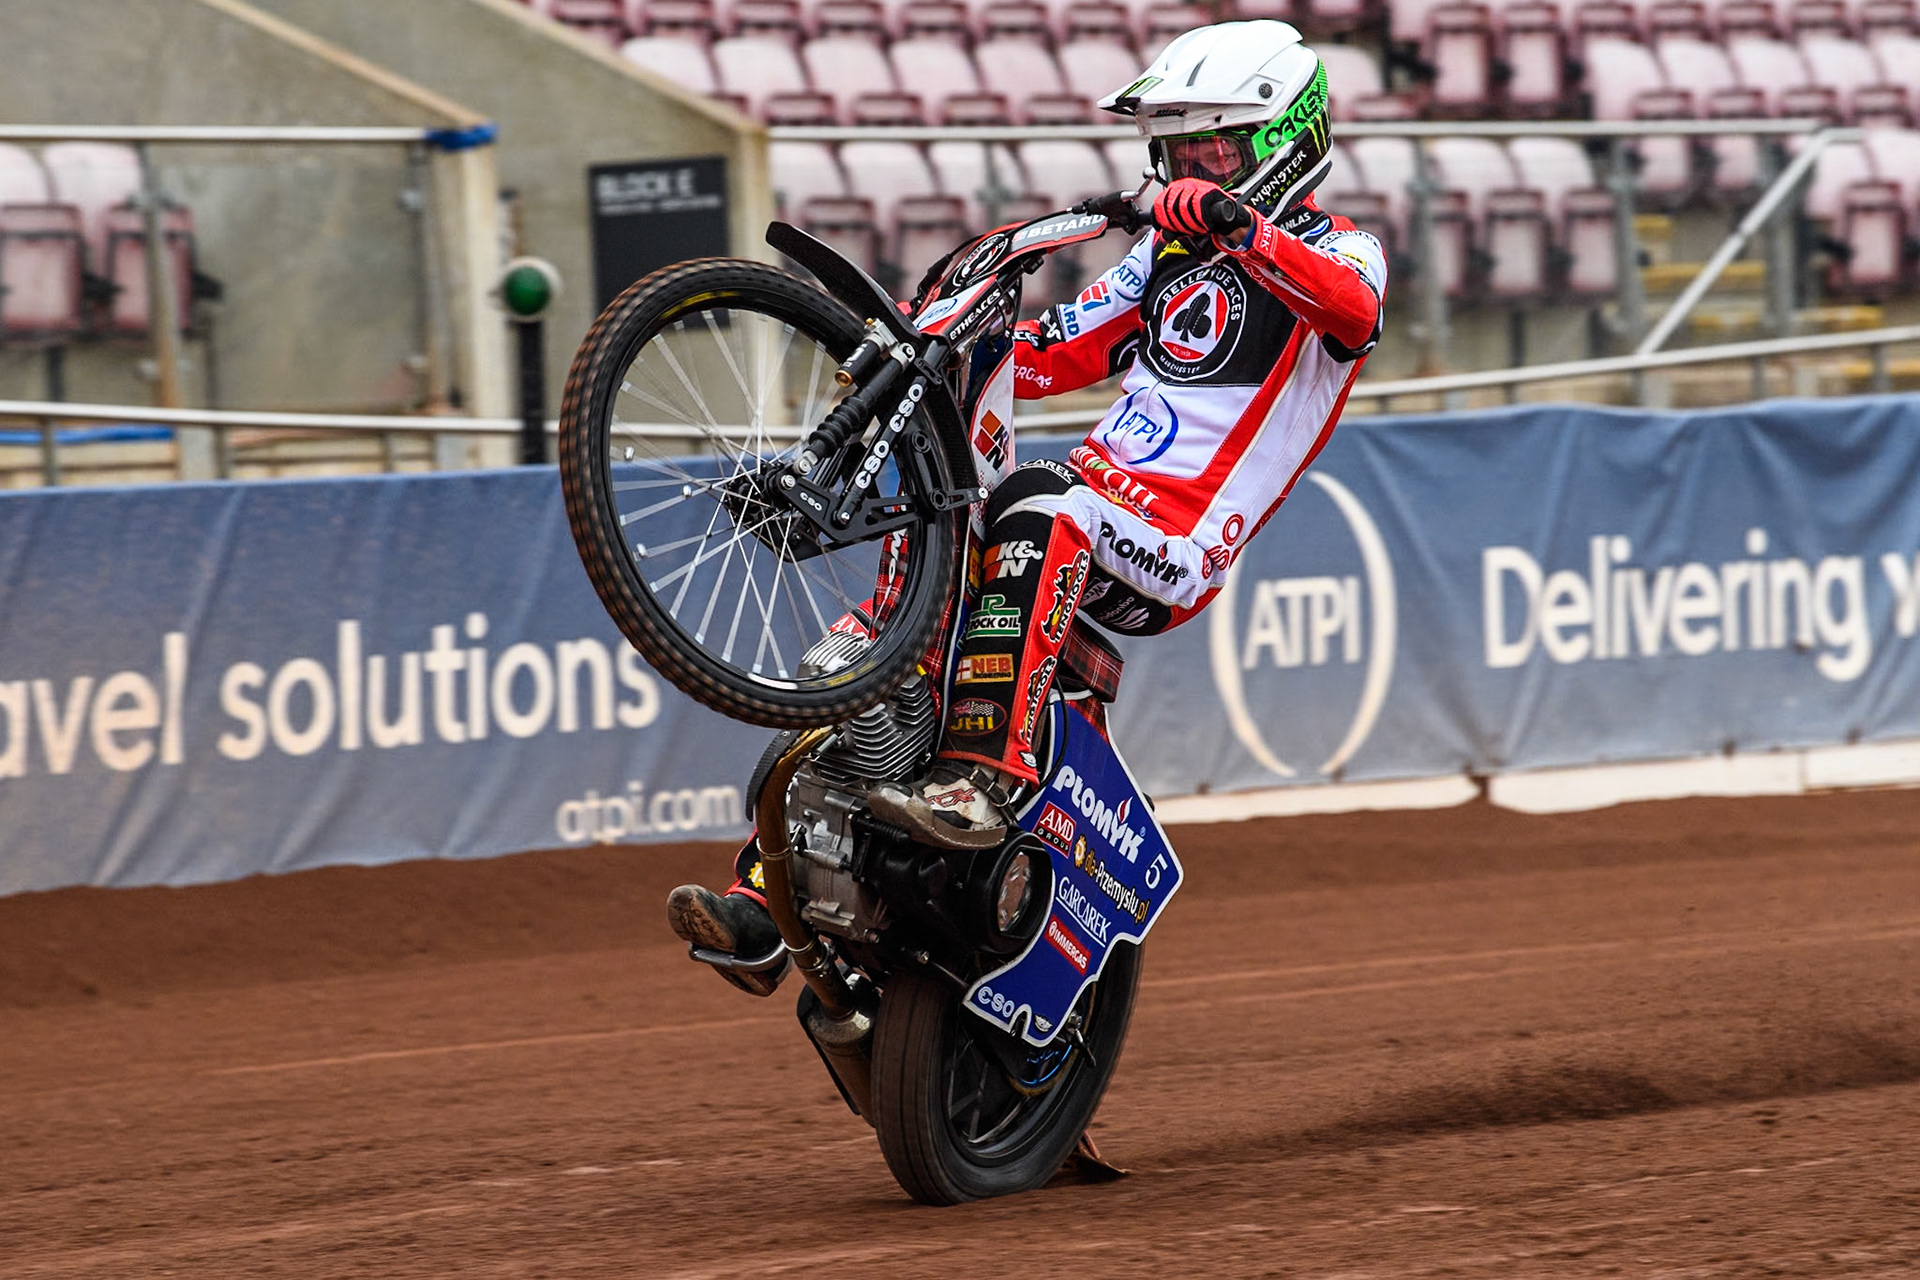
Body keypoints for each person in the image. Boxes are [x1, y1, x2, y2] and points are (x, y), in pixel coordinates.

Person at [668, 19, 1386, 993]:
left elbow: (1352, 313)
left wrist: (1237, 226)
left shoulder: (1346, 251)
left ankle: (984, 779)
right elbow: (1055, 353)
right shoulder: (1164, 259)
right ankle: (762, 906)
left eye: (1211, 152)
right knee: (880, 610)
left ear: (1286, 141)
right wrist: (945, 341)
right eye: (1175, 154)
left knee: (1045, 500)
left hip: (1172, 548)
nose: (1188, 173)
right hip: (1072, 512)